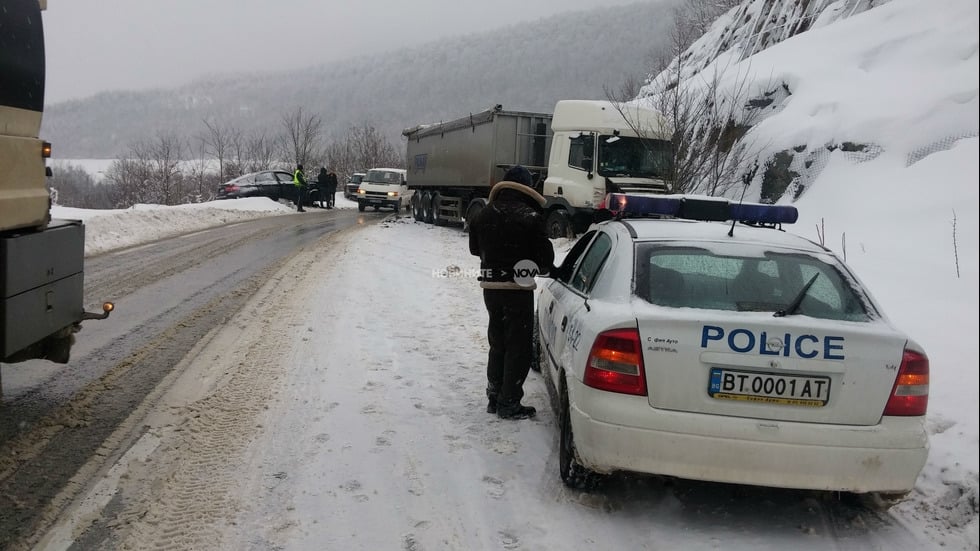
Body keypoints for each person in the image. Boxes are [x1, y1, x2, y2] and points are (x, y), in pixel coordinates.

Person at [468, 165, 555, 420]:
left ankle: (494, 396)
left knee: (498, 341)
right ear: (527, 188)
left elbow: (475, 250)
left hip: (491, 289)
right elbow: (545, 260)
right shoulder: (530, 216)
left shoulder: (483, 214)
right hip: (518, 289)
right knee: (518, 346)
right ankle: (509, 402)